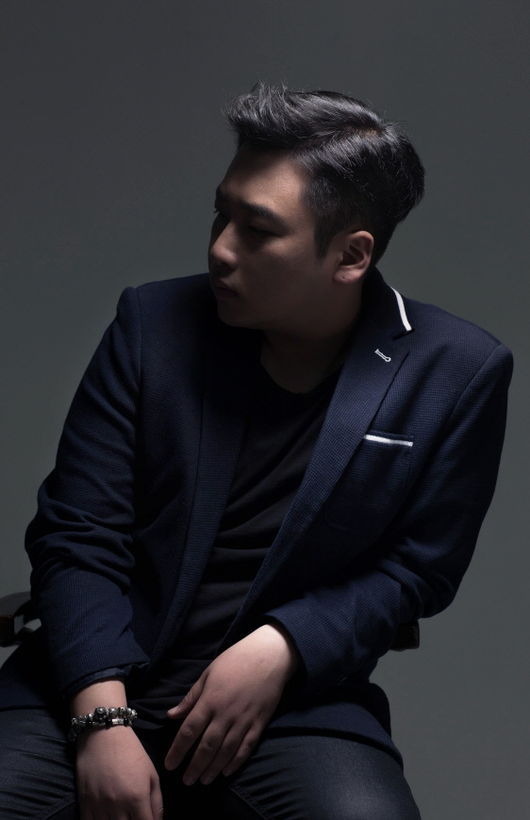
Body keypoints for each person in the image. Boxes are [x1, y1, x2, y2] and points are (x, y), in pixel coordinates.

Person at [0, 83, 512, 819]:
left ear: (350, 255)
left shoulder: (456, 371)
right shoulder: (152, 324)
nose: (220, 249)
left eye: (258, 230)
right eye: (222, 214)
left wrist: (282, 646)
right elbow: (78, 533)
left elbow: (417, 570)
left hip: (293, 709)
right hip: (85, 683)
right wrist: (101, 718)